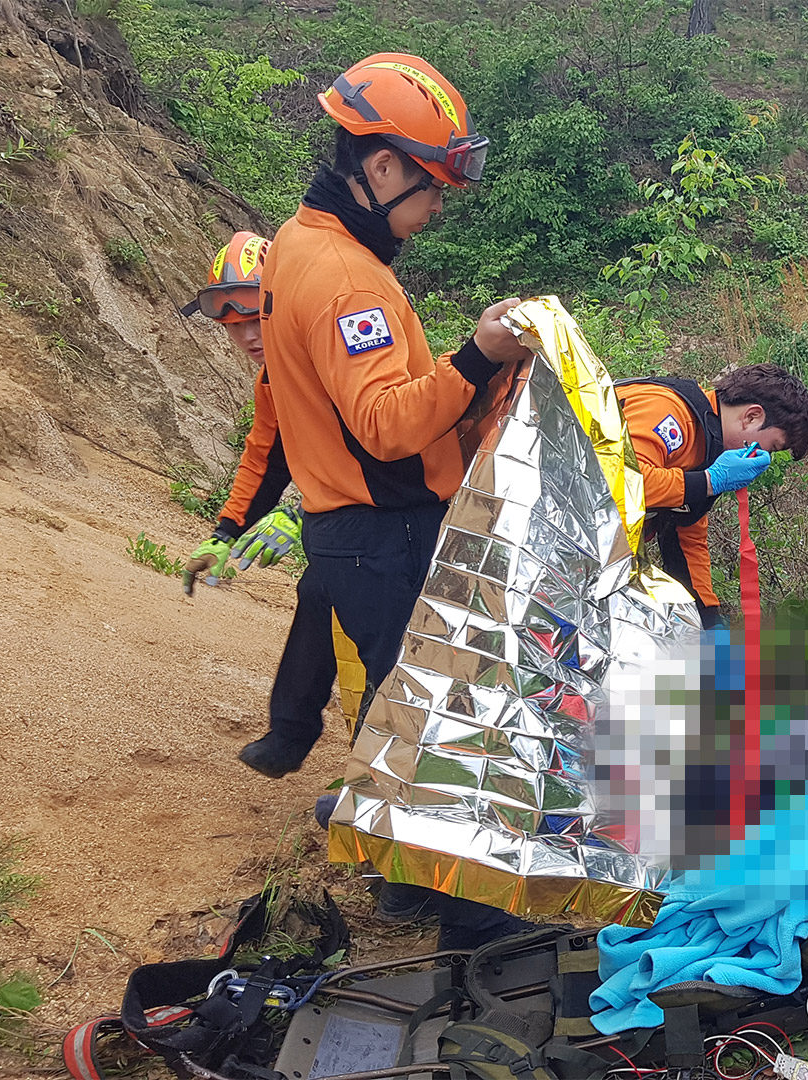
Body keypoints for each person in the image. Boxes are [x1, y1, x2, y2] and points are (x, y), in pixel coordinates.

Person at [241, 51, 530, 783]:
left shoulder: (296, 242)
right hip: (384, 526)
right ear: (381, 170)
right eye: (431, 189)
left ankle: (368, 836)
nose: (436, 209)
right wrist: (476, 356)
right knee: (419, 713)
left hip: (345, 523)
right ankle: (414, 893)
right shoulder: (348, 282)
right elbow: (385, 426)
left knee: (397, 695)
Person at [178, 232, 375, 742]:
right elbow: (265, 458)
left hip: (421, 508)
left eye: (254, 319)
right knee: (322, 592)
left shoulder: (336, 356)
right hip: (359, 520)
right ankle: (295, 736)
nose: (246, 336)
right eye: (233, 326)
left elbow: (383, 447)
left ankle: (375, 774)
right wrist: (224, 533)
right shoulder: (275, 379)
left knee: (372, 620)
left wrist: (304, 515)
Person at [615, 364, 808, 627]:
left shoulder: (706, 446)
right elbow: (622, 482)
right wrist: (709, 482)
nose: (763, 458)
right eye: (773, 447)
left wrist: (708, 617)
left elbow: (688, 536)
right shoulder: (668, 412)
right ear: (752, 416)